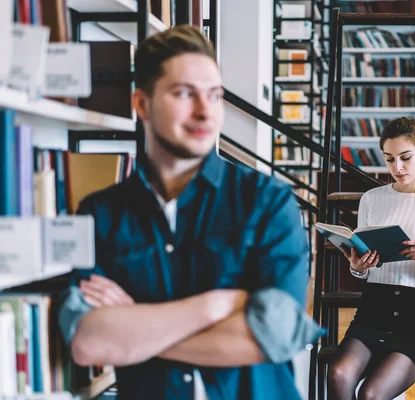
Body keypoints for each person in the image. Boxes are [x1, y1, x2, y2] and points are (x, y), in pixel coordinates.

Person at [57, 25, 322, 400]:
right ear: (142, 104)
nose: (204, 112)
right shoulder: (100, 214)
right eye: (185, 94)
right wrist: (218, 304)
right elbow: (88, 342)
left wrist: (137, 322)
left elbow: (272, 337)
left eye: (214, 96)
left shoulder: (268, 202)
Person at [327, 117, 415, 399]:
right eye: (389, 159)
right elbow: (364, 269)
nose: (396, 167)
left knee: (371, 395)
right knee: (338, 374)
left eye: (405, 157)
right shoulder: (372, 199)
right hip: (374, 310)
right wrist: (358, 267)